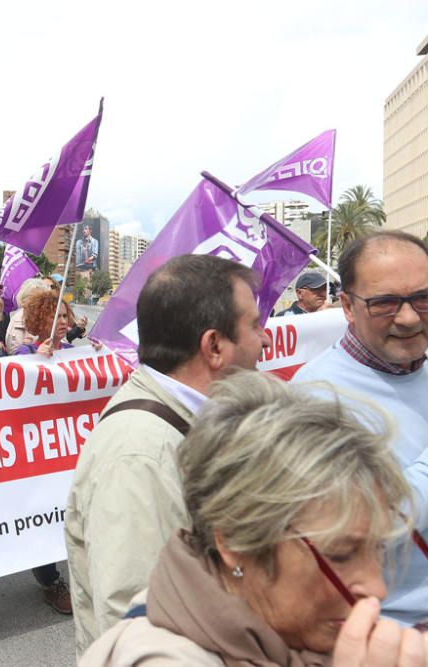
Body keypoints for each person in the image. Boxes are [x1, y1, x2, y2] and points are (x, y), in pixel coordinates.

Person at [80, 371, 419, 666]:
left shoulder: (288, 632)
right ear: (234, 543)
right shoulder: (161, 658)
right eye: (340, 555)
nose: (378, 588)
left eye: (379, 549)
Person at [66, 254, 272, 656]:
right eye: (253, 325)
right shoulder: (141, 455)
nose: (264, 339)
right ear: (214, 345)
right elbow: (140, 629)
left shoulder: (190, 422)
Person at [293, 230, 428, 626]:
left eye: (422, 298)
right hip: (390, 634)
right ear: (348, 307)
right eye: (384, 303)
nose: (408, 317)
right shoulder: (311, 399)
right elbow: (346, 527)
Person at [14, 289, 73, 357]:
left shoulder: (71, 351)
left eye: (65, 316)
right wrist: (37, 358)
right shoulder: (25, 352)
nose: (63, 321)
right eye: (56, 317)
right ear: (40, 320)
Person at [3, 277, 48, 352]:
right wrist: (31, 348)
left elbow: (62, 344)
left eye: (41, 298)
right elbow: (14, 354)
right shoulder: (16, 320)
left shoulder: (52, 317)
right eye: (33, 298)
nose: (37, 302)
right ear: (23, 299)